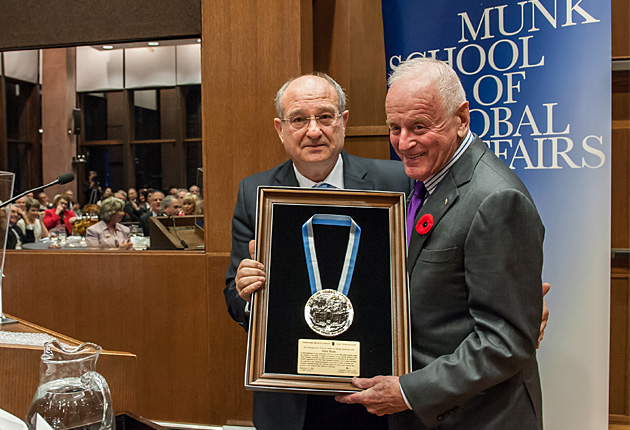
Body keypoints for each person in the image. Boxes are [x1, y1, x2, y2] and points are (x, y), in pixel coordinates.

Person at [336, 58, 544, 430]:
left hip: (479, 418)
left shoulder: (495, 199)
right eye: (394, 127)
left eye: (419, 126)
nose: (403, 142)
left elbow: (505, 341)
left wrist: (409, 391)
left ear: (461, 118)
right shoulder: (424, 180)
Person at [224, 72, 414, 430]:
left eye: (325, 117)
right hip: (292, 398)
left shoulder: (395, 182)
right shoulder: (255, 193)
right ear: (280, 129)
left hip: (375, 391)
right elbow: (234, 300)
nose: (313, 130)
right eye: (299, 119)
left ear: (342, 122)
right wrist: (247, 292)